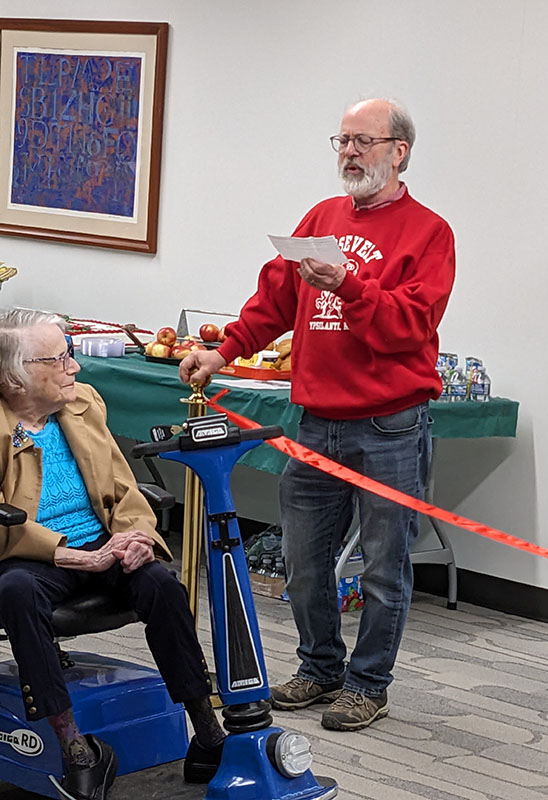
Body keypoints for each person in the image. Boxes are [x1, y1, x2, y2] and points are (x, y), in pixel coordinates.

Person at [180, 98, 455, 732]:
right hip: (315, 420)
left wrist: (347, 286)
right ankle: (320, 667)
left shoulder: (429, 232)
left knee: (385, 566)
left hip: (389, 423)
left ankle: (368, 684)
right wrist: (222, 352)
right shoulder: (321, 218)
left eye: (363, 141)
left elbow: (411, 327)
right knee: (304, 562)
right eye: (342, 141)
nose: (350, 152)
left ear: (399, 150)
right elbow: (274, 299)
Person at [0, 309, 225, 800]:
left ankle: (207, 732)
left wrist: (138, 534)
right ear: (16, 377)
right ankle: (76, 750)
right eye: (59, 359)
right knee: (14, 590)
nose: (74, 368)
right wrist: (67, 555)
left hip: (101, 540)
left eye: (71, 355)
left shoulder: (83, 404)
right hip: (29, 556)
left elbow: (123, 487)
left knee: (163, 583)